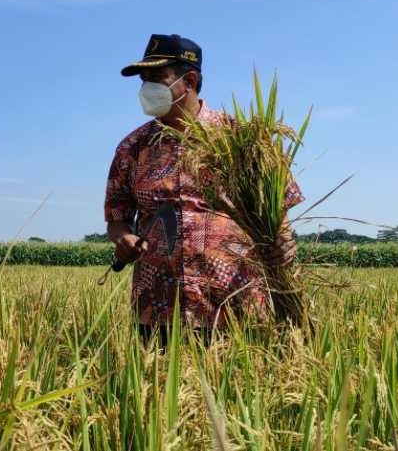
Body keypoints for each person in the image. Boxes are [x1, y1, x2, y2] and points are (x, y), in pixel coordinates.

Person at [104, 34, 301, 344]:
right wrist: (123, 238)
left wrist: (284, 240)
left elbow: (278, 205)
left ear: (190, 81)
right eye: (144, 81)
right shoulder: (133, 147)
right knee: (154, 390)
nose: (147, 89)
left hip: (234, 304)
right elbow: (117, 214)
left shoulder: (241, 139)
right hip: (158, 308)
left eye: (158, 78)